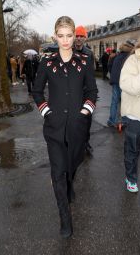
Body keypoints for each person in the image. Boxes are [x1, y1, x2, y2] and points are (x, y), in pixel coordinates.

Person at [32, 16, 98, 238]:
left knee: (72, 165)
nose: (65, 40)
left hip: (78, 127)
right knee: (58, 172)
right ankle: (65, 219)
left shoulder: (85, 61)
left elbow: (92, 91)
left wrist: (84, 112)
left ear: (74, 36)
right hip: (54, 128)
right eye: (61, 36)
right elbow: (37, 91)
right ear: (55, 36)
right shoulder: (46, 62)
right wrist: (46, 112)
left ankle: (70, 184)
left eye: (69, 35)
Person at [120, 31, 140, 193]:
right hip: (136, 116)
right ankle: (131, 178)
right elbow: (128, 86)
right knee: (132, 151)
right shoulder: (133, 59)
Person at [74, 25, 95, 157]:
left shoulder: (89, 53)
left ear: (85, 38)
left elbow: (91, 74)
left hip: (86, 92)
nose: (79, 39)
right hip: (72, 91)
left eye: (82, 36)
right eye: (77, 36)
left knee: (87, 119)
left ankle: (86, 142)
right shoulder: (68, 51)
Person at [107, 41, 134, 127]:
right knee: (125, 101)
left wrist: (113, 75)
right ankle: (125, 121)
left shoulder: (117, 55)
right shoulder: (129, 56)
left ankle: (112, 120)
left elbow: (110, 65)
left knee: (114, 101)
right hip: (124, 81)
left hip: (115, 80)